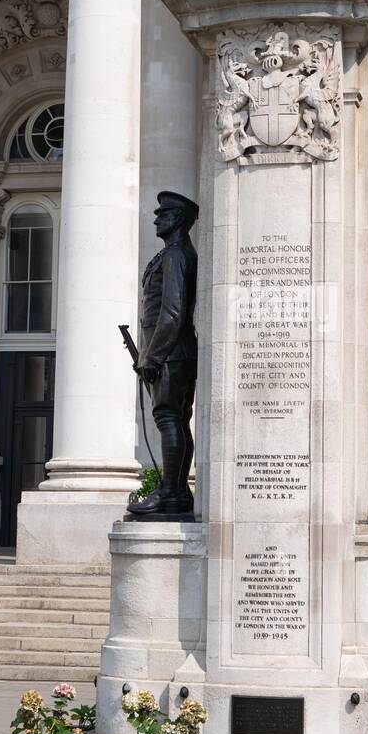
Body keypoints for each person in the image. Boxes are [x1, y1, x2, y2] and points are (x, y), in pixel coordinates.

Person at [132, 191, 199, 515]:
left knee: (168, 418)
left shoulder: (176, 255)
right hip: (170, 352)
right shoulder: (171, 254)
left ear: (180, 219)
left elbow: (172, 312)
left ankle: (171, 492)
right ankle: (177, 491)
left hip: (172, 352)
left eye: (165, 214)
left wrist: (152, 356)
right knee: (175, 419)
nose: (157, 219)